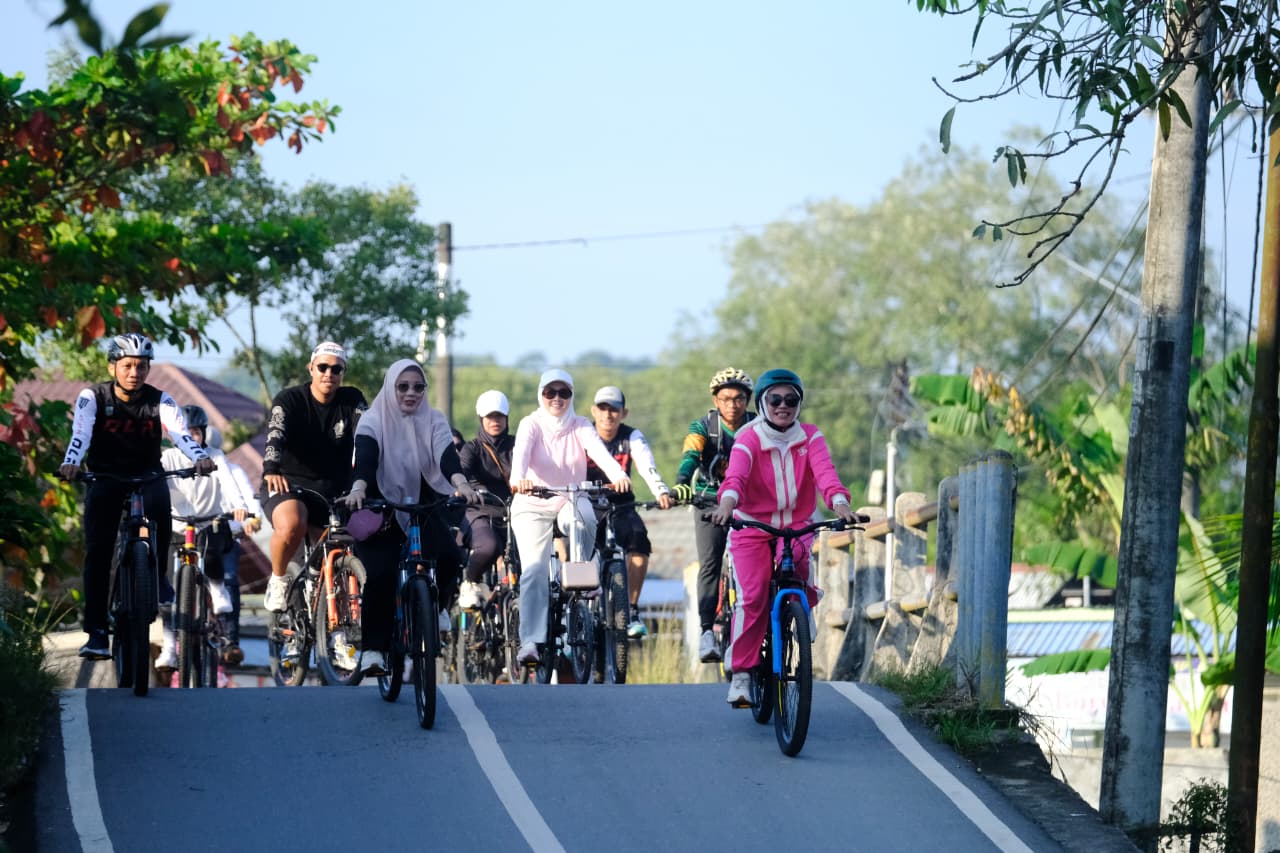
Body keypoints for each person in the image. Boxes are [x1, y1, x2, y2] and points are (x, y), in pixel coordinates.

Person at [58, 334, 215, 660]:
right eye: (127, 365)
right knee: (98, 551)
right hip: (105, 476)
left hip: (147, 473)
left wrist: (198, 456)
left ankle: (156, 577)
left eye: (141, 366)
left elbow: (180, 433)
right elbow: (81, 433)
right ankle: (97, 632)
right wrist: (72, 462)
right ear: (113, 365)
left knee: (159, 506)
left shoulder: (161, 400)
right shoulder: (93, 397)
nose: (135, 372)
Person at [710, 368, 856, 706]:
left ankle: (799, 615)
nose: (783, 406)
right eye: (775, 399)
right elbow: (735, 479)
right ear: (762, 402)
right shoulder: (748, 437)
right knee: (754, 595)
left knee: (801, 568)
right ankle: (743, 674)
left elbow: (826, 476)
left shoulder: (811, 436)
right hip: (751, 525)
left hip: (797, 524)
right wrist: (727, 507)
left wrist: (841, 505)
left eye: (791, 400)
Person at [342, 359, 479, 676]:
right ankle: (374, 650)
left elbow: (446, 455)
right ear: (390, 388)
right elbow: (365, 455)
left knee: (449, 554)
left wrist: (460, 484)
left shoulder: (434, 419)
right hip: (379, 503)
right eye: (402, 386)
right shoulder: (372, 420)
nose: (411, 393)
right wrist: (359, 488)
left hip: (424, 499)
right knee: (381, 574)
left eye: (418, 387)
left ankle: (440, 606)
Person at [508, 369, 631, 665]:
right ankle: (530, 642)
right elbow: (521, 457)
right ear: (541, 395)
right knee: (534, 571)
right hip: (532, 501)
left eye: (564, 393)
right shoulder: (531, 424)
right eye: (550, 392)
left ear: (572, 396)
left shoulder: (581, 425)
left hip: (568, 497)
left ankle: (583, 574)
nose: (557, 399)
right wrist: (519, 479)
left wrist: (619, 475)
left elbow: (601, 455)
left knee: (585, 517)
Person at [260, 341, 367, 613]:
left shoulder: (352, 399)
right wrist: (271, 467)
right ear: (311, 368)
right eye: (322, 367)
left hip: (333, 490)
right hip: (287, 483)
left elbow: (367, 438)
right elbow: (275, 434)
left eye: (336, 369)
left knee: (341, 556)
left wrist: (364, 480)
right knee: (294, 523)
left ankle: (340, 629)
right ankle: (279, 578)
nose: (328, 374)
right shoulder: (290, 399)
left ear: (343, 373)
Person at [670, 367, 757, 663]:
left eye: (739, 398)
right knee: (710, 562)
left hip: (748, 503)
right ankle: (708, 630)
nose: (733, 404)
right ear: (716, 400)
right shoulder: (703, 427)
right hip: (708, 500)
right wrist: (682, 484)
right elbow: (690, 456)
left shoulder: (759, 426)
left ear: (748, 400)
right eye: (726, 398)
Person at [156, 406, 251, 673]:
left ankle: (217, 587)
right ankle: (169, 647)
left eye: (196, 433)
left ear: (205, 433)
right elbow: (157, 485)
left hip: (206, 521)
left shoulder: (215, 456)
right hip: (176, 524)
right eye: (186, 433)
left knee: (213, 550)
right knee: (166, 593)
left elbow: (229, 482)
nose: (192, 438)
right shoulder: (168, 459)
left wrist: (239, 505)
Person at [586, 385, 673, 638]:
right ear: (594, 411)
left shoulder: (631, 436)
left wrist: (661, 492)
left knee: (639, 542)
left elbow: (647, 466)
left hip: (622, 505)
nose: (607, 415)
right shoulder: (584, 434)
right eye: (602, 409)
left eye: (614, 410)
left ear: (624, 413)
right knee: (578, 549)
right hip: (588, 505)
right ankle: (577, 610)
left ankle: (632, 610)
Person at [205, 425, 262, 665]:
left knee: (229, 582)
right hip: (194, 535)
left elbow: (248, 498)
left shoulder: (233, 471)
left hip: (227, 536)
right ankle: (177, 635)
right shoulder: (183, 467)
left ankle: (230, 640)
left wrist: (252, 517)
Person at [457, 389, 515, 610]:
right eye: (490, 417)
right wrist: (469, 489)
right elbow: (462, 471)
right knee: (488, 547)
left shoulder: (516, 445)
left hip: (512, 512)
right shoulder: (472, 448)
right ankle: (470, 581)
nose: (495, 421)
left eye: (500, 416)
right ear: (481, 419)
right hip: (480, 510)